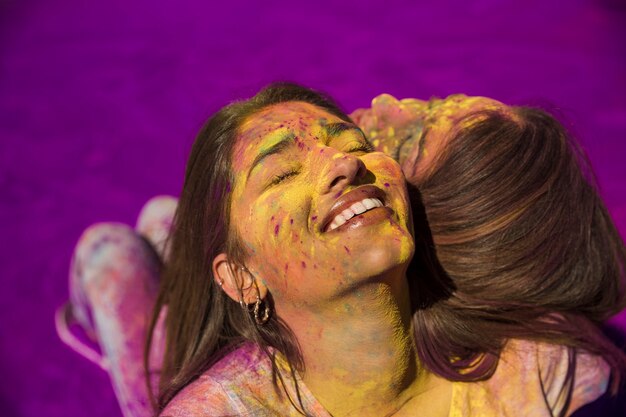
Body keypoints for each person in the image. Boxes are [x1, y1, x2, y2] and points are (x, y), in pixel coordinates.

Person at [57, 84, 626, 417]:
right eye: (282, 172)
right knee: (140, 238)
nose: (345, 160)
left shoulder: (547, 368)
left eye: (362, 145)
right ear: (240, 279)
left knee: (124, 247)